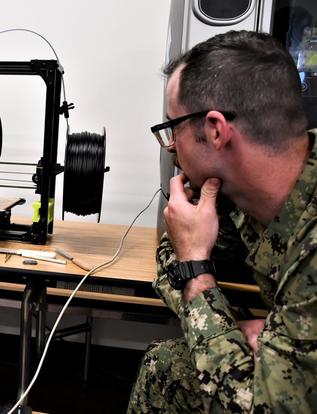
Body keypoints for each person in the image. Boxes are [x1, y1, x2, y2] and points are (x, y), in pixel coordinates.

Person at [128, 30, 317, 413]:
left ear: (215, 130)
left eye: (173, 128)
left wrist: (196, 269)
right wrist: (230, 328)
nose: (171, 145)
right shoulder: (241, 192)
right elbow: (172, 255)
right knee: (165, 366)